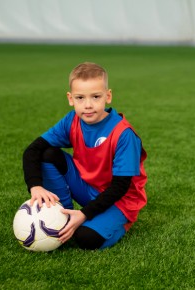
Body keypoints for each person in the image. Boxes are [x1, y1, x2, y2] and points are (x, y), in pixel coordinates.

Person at [22, 62, 147, 250]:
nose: (88, 105)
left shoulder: (123, 134)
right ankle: (63, 214)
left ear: (108, 96)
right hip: (88, 187)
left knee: (85, 238)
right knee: (48, 154)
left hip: (120, 200)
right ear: (70, 98)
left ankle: (122, 223)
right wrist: (35, 186)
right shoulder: (72, 120)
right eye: (80, 98)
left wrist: (84, 214)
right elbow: (33, 150)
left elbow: (121, 186)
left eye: (96, 97)